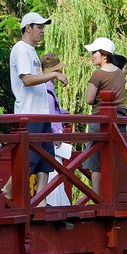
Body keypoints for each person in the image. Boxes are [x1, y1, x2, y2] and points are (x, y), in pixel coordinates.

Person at [9, 12, 68, 198]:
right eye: (39, 28)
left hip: (42, 114)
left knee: (45, 159)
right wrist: (54, 74)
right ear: (28, 28)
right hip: (29, 112)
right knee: (30, 158)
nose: (42, 32)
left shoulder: (32, 51)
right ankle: (7, 191)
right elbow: (26, 80)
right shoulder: (21, 49)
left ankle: (41, 201)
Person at [83, 37, 127, 194]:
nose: (92, 55)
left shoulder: (97, 74)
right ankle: (114, 195)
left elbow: (89, 99)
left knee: (96, 161)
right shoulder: (121, 74)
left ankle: (97, 197)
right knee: (114, 158)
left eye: (94, 52)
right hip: (119, 121)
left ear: (104, 55)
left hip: (99, 121)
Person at [42, 53, 71, 207]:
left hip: (51, 133)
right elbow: (48, 112)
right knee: (54, 172)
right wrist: (55, 134)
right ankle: (56, 205)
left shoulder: (47, 86)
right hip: (52, 136)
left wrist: (61, 113)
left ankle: (59, 204)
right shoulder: (47, 87)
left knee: (55, 172)